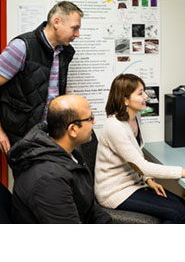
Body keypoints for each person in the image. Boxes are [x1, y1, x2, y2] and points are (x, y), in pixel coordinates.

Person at [94, 73, 185, 224]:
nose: (146, 96)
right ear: (125, 100)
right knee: (178, 212)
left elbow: (134, 160)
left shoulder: (133, 119)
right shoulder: (115, 126)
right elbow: (141, 166)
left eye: (144, 91)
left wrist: (148, 180)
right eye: (140, 93)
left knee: (182, 205)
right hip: (114, 192)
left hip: (133, 184)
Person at [7, 94, 112, 224]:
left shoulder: (70, 155)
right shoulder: (48, 179)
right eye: (90, 118)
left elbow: (90, 208)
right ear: (73, 129)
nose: (94, 122)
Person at [0, 0, 83, 154]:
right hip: (22, 138)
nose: (77, 34)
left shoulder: (64, 52)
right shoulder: (22, 47)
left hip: (50, 136)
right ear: (56, 22)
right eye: (74, 28)